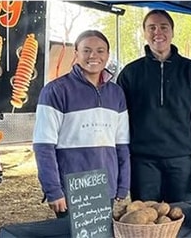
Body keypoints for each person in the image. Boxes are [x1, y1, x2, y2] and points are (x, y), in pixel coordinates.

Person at [117, 10, 191, 203]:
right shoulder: (130, 73)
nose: (157, 32)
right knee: (146, 222)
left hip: (181, 162)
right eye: (151, 27)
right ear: (144, 32)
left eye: (163, 27)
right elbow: (119, 122)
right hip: (142, 163)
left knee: (184, 219)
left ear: (172, 32)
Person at [33, 30, 130, 217]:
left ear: (108, 55)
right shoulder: (55, 91)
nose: (93, 56)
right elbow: (43, 145)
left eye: (100, 51)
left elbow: (122, 143)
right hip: (71, 189)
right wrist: (53, 190)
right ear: (76, 53)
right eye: (86, 50)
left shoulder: (116, 93)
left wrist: (123, 183)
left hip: (105, 185)